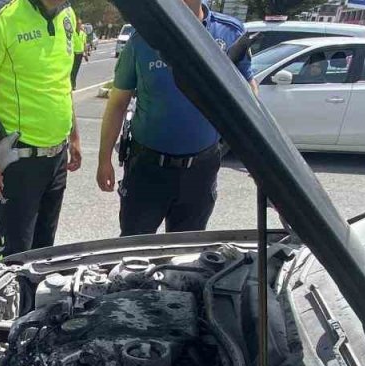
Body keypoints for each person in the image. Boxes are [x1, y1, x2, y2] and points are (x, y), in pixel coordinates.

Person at [95, 0, 253, 237]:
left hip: (200, 169)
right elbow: (118, 103)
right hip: (147, 168)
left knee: (186, 255)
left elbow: (249, 94)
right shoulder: (144, 38)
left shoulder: (229, 34)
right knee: (133, 250)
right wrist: (104, 158)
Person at [0, 0, 83, 262]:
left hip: (56, 158)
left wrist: (74, 136)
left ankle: (34, 304)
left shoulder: (67, 16)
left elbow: (64, 84)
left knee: (44, 256)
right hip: (19, 161)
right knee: (14, 260)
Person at [70, 18, 89, 88]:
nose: (78, 25)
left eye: (79, 24)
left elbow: (85, 44)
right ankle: (71, 83)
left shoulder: (83, 34)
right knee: (71, 69)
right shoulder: (72, 33)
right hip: (73, 54)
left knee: (76, 70)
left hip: (80, 54)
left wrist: (86, 54)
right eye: (77, 24)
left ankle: (73, 82)